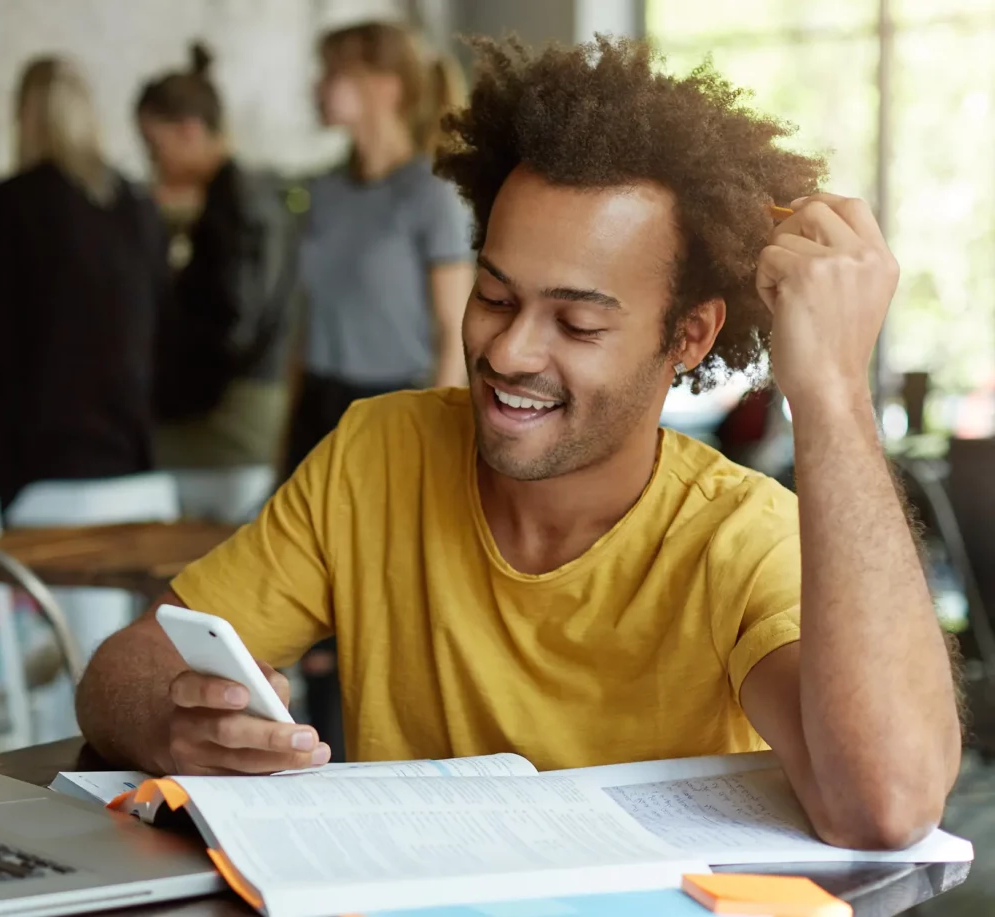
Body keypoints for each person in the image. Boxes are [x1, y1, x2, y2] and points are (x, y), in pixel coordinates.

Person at [75, 36, 962, 851]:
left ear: (688, 337)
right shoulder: (377, 454)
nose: (507, 351)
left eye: (575, 321)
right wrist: (171, 720)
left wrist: (836, 394)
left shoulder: (737, 538)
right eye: (495, 297)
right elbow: (123, 668)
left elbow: (882, 804)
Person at [286, 21, 476, 757]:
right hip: (317, 410)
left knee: (375, 610)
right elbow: (308, 327)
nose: (317, 88)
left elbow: (452, 332)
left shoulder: (429, 194)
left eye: (331, 73)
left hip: (397, 410)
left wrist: (436, 442)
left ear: (382, 88)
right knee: (310, 619)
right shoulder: (323, 193)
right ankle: (309, 764)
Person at [0, 56, 169, 512]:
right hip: (129, 461)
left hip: (36, 461)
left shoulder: (7, 204)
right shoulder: (139, 204)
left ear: (25, 117)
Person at [138, 44, 301, 470]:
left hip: (235, 409)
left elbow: (234, 325)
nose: (154, 166)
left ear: (190, 131)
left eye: (155, 149)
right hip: (240, 395)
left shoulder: (238, 204)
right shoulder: (232, 195)